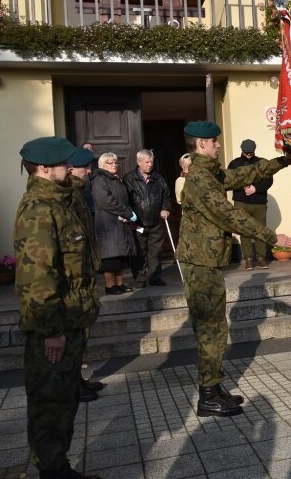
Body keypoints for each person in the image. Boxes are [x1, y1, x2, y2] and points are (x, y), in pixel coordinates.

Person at [177, 121, 291, 417]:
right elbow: (228, 215)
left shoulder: (209, 172)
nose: (218, 145)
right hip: (200, 262)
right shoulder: (200, 178)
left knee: (216, 327)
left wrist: (282, 161)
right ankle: (207, 395)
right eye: (214, 141)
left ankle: (214, 388)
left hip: (208, 260)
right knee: (210, 329)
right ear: (201, 144)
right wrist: (270, 236)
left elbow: (243, 174)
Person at [13, 136, 101, 479]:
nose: (71, 167)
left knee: (63, 401)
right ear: (45, 168)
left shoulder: (58, 200)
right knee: (50, 405)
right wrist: (52, 332)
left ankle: (57, 466)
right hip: (54, 326)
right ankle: (52, 471)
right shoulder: (39, 210)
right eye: (64, 163)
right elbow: (37, 279)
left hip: (70, 319)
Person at [68, 147, 105, 402]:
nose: (89, 171)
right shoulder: (68, 193)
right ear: (71, 168)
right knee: (74, 333)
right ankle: (72, 385)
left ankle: (78, 380)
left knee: (82, 334)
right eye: (85, 168)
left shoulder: (79, 190)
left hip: (84, 271)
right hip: (74, 275)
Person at [91, 152, 136, 295]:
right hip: (107, 224)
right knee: (110, 257)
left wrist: (126, 213)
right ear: (102, 165)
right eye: (110, 163)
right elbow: (106, 201)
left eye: (115, 162)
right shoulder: (99, 179)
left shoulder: (116, 179)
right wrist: (126, 212)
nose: (114, 165)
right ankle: (110, 286)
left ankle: (120, 283)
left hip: (119, 222)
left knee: (119, 256)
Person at [123, 150, 171, 287]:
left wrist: (165, 208)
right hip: (138, 223)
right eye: (147, 162)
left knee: (155, 252)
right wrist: (129, 215)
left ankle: (155, 278)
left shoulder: (158, 178)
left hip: (155, 221)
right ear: (139, 162)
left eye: (152, 162)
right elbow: (125, 199)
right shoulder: (129, 178)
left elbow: (166, 196)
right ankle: (140, 279)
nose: (150, 165)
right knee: (140, 252)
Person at [227, 140, 274, 270]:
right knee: (245, 230)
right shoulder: (234, 164)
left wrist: (256, 188)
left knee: (260, 230)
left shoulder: (262, 162)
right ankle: (248, 259)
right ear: (241, 150)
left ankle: (261, 258)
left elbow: (269, 179)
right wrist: (243, 187)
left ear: (255, 149)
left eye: (250, 152)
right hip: (241, 202)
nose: (248, 154)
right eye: (246, 152)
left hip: (259, 203)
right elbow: (229, 180)